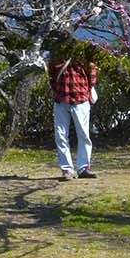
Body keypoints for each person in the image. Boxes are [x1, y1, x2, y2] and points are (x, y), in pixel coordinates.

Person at [47, 40, 98, 181]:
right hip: (61, 100)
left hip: (80, 99)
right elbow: (51, 75)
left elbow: (92, 72)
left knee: (83, 135)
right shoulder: (56, 56)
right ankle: (67, 169)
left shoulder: (82, 54)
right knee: (61, 135)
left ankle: (83, 168)